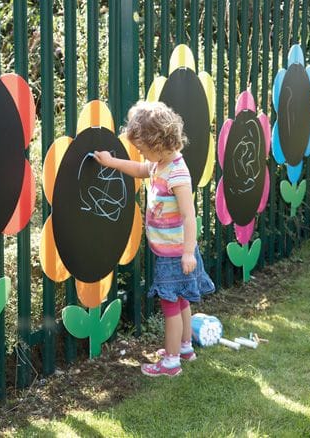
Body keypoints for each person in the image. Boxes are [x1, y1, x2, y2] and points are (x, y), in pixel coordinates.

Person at [94, 101, 215, 377]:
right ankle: (185, 348)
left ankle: (171, 362)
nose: (140, 152)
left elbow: (188, 216)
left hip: (176, 254)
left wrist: (187, 253)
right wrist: (111, 162)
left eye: (142, 148)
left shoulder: (177, 172)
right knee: (182, 300)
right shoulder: (159, 164)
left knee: (170, 306)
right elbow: (139, 170)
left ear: (158, 142)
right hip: (170, 251)